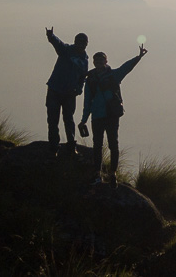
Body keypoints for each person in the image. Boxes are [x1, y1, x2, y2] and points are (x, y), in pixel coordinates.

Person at [80, 43, 148, 187]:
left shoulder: (113, 76)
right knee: (97, 145)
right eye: (96, 61)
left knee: (113, 144)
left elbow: (126, 68)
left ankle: (112, 174)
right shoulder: (90, 79)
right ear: (94, 62)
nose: (98, 63)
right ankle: (98, 173)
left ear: (106, 61)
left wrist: (138, 57)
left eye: (101, 61)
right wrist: (83, 120)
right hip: (98, 116)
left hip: (111, 116)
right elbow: (87, 101)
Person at [43, 27, 90, 156]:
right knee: (53, 120)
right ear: (75, 42)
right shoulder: (66, 50)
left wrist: (78, 90)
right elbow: (58, 43)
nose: (81, 44)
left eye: (83, 42)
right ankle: (54, 147)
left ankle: (71, 146)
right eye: (79, 42)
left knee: (69, 120)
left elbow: (82, 77)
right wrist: (51, 36)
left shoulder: (85, 60)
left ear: (86, 44)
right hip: (55, 90)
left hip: (70, 94)